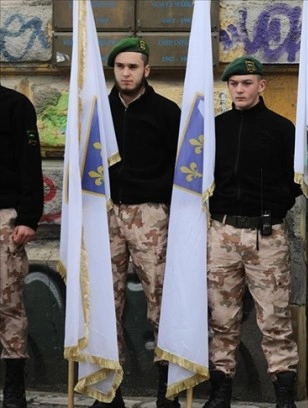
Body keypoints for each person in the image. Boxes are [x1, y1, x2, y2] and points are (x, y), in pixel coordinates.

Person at [204, 56, 300, 408]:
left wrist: (277, 205)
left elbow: (296, 181)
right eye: (234, 84)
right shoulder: (217, 128)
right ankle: (221, 391)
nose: (240, 90)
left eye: (247, 83)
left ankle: (284, 394)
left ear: (261, 86)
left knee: (275, 318)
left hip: (266, 233)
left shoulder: (281, 128)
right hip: (222, 232)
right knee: (221, 317)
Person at [102, 37, 182, 408]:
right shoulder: (99, 110)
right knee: (105, 301)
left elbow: (181, 167)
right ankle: (108, 389)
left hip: (150, 213)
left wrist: (161, 200)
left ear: (146, 70)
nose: (126, 73)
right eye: (120, 66)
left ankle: (166, 389)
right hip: (106, 212)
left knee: (160, 301)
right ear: (113, 70)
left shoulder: (167, 112)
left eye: (133, 67)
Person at [0, 84, 44, 408]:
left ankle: (14, 390)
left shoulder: (15, 105)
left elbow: (31, 163)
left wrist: (28, 217)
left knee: (9, 306)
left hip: (4, 220)